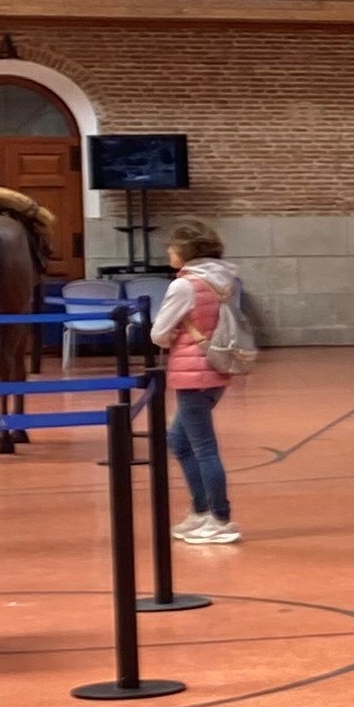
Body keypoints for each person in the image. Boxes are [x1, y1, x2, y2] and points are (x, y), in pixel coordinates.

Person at [153, 218, 244, 544]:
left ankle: (220, 519)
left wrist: (172, 334)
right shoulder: (222, 279)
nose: (168, 251)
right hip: (216, 370)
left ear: (186, 250)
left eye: (172, 245)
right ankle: (201, 510)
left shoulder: (184, 285)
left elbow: (159, 334)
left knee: (203, 447)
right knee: (178, 441)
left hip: (193, 372)